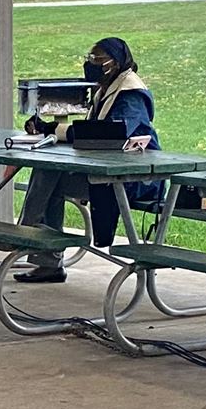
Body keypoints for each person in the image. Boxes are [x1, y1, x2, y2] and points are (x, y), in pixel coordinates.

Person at [12, 36, 159, 284]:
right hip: (105, 174)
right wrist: (46, 128)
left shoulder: (131, 93)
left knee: (49, 179)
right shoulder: (106, 87)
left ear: (116, 62)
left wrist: (52, 130)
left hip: (134, 180)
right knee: (48, 174)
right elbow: (93, 133)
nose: (91, 64)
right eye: (89, 58)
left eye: (98, 59)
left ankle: (25, 235)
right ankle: (44, 257)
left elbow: (110, 132)